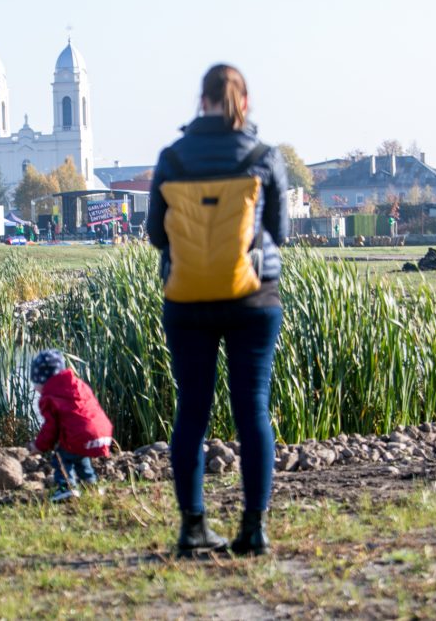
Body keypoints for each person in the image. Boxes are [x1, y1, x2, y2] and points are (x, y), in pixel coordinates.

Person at [147, 64, 288, 556]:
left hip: (186, 300)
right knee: (252, 410)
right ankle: (253, 529)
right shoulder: (263, 157)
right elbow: (280, 232)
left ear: (200, 100)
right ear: (243, 103)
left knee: (192, 412)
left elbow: (155, 235)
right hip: (253, 298)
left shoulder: (172, 158)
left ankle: (192, 528)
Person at [27, 350, 114, 502]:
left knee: (61, 457)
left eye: (36, 383)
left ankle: (66, 488)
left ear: (45, 381)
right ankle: (91, 484)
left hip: (80, 434)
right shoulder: (78, 385)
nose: (35, 388)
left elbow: (50, 428)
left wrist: (39, 446)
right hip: (102, 430)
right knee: (79, 456)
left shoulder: (49, 398)